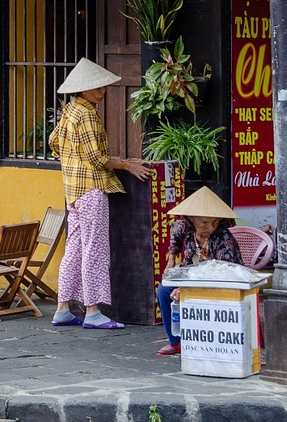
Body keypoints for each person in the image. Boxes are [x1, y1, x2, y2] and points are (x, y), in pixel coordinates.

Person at [48, 58, 151, 330]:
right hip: (92, 189)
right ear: (84, 89)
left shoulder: (70, 109)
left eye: (103, 87)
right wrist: (126, 164)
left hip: (72, 190)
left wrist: (73, 159)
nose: (102, 92)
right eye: (97, 88)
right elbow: (97, 157)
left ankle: (62, 308)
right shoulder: (88, 114)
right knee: (94, 249)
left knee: (73, 249)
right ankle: (93, 311)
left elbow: (53, 142)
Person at [155, 186, 243, 355]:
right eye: (204, 223)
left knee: (182, 293)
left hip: (220, 281)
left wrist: (187, 289)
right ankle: (176, 342)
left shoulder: (224, 238)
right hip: (193, 275)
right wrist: (172, 257)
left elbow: (222, 272)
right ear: (192, 220)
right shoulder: (185, 228)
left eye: (214, 222)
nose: (210, 227)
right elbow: (175, 230)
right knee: (164, 291)